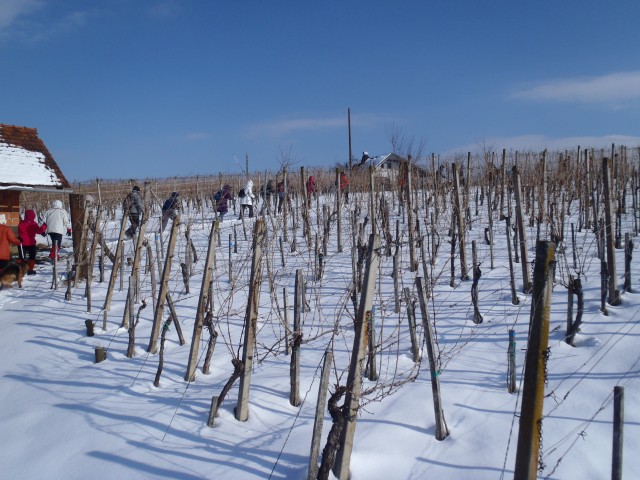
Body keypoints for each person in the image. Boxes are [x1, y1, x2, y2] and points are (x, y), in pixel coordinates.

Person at [18, 210, 46, 275]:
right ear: (33, 216)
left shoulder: (21, 223)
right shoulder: (33, 224)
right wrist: (44, 226)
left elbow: (19, 231)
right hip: (31, 243)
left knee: (21, 257)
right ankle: (30, 270)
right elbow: (39, 231)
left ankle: (20, 270)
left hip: (22, 243)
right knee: (32, 257)